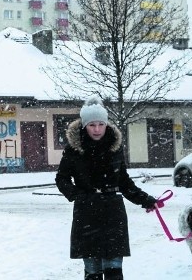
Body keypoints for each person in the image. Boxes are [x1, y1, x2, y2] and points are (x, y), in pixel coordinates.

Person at [55, 97, 159, 280]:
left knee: (114, 272)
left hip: (113, 213)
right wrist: (77, 195)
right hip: (87, 213)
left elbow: (124, 181)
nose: (97, 129)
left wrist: (145, 199)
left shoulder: (114, 147)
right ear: (84, 125)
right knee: (93, 272)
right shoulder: (74, 149)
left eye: (100, 124)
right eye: (92, 125)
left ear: (106, 124)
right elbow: (62, 178)